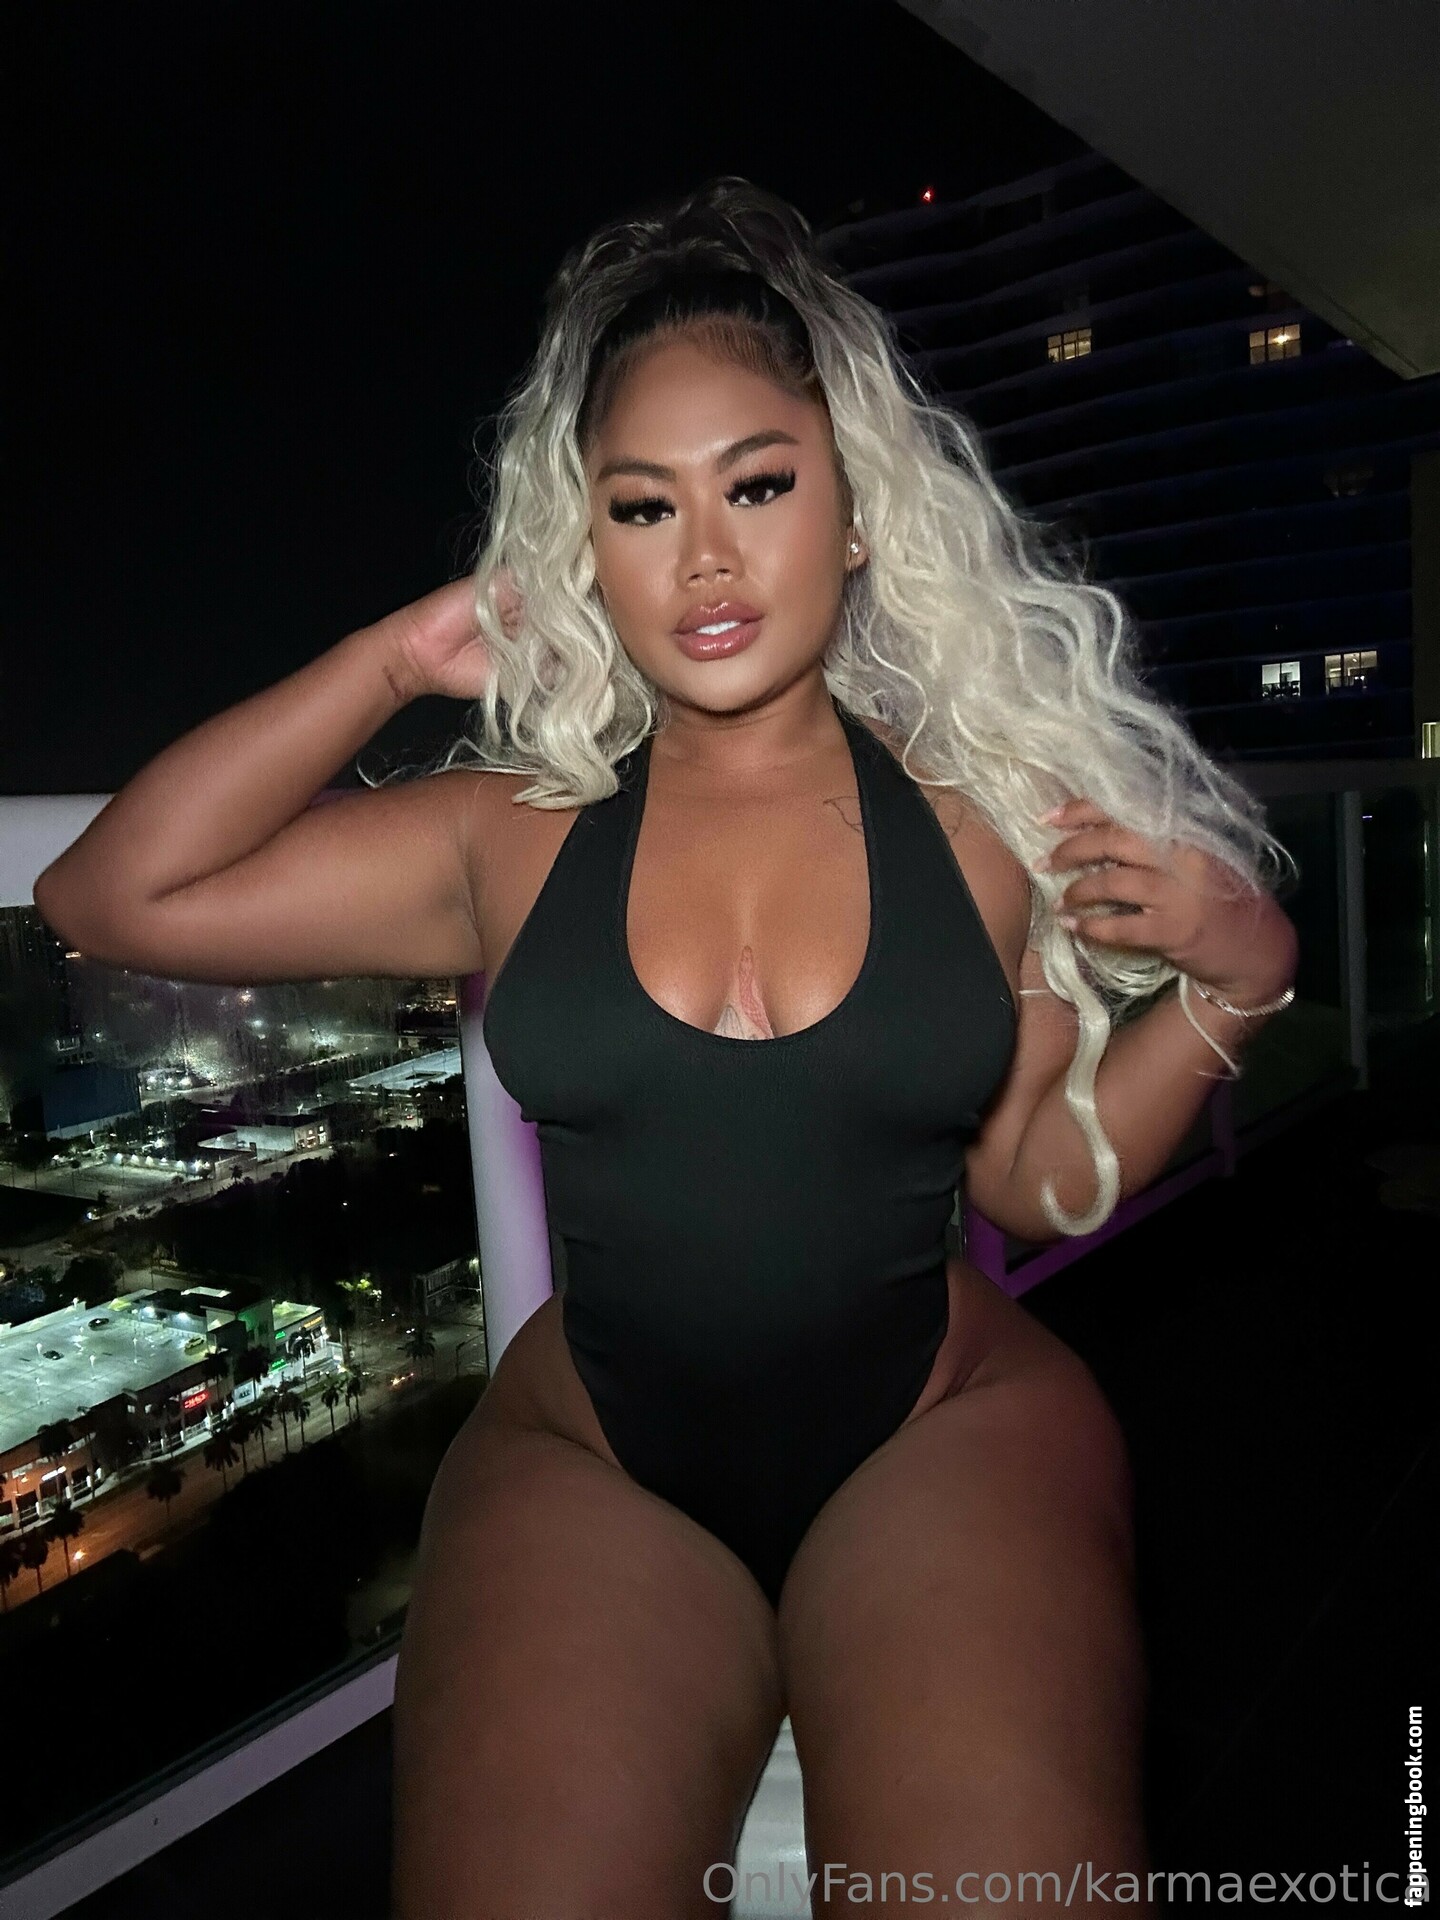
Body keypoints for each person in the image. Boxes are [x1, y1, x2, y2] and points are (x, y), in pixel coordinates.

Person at [34, 178, 1298, 1918]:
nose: (705, 557)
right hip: (598, 1465)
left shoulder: (982, 824)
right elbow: (111, 895)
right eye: (642, 506)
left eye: (758, 486)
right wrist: (394, 659)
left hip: (938, 1434)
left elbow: (1036, 1179)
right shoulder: (509, 835)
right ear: (588, 551)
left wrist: (1244, 979)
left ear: (857, 515)